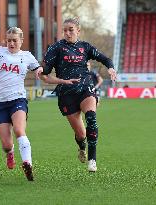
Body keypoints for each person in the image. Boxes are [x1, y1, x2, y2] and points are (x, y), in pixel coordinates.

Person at [39, 17, 117, 172]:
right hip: (66, 94)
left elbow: (105, 58)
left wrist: (111, 68)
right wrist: (40, 69)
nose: (67, 33)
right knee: (81, 134)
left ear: (78, 31)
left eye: (71, 30)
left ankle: (92, 160)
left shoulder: (85, 47)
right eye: (65, 30)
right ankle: (82, 146)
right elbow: (46, 70)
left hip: (85, 88)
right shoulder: (56, 48)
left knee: (91, 119)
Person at [0, 27, 43, 181]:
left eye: (14, 40)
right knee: (6, 144)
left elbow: (39, 69)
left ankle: (27, 164)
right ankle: (10, 153)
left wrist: (40, 71)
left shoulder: (27, 56)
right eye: (9, 40)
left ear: (21, 41)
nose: (11, 43)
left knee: (19, 130)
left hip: (17, 99)